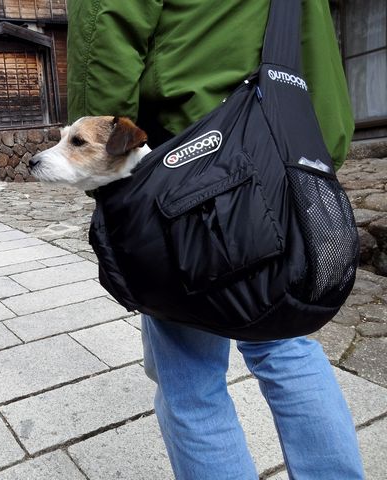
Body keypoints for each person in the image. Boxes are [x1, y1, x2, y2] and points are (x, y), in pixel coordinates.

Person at [67, 1, 365, 478]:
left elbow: (106, 23)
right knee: (285, 343)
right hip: (283, 148)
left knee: (189, 374)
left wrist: (100, 154)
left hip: (184, 163)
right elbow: (313, 33)